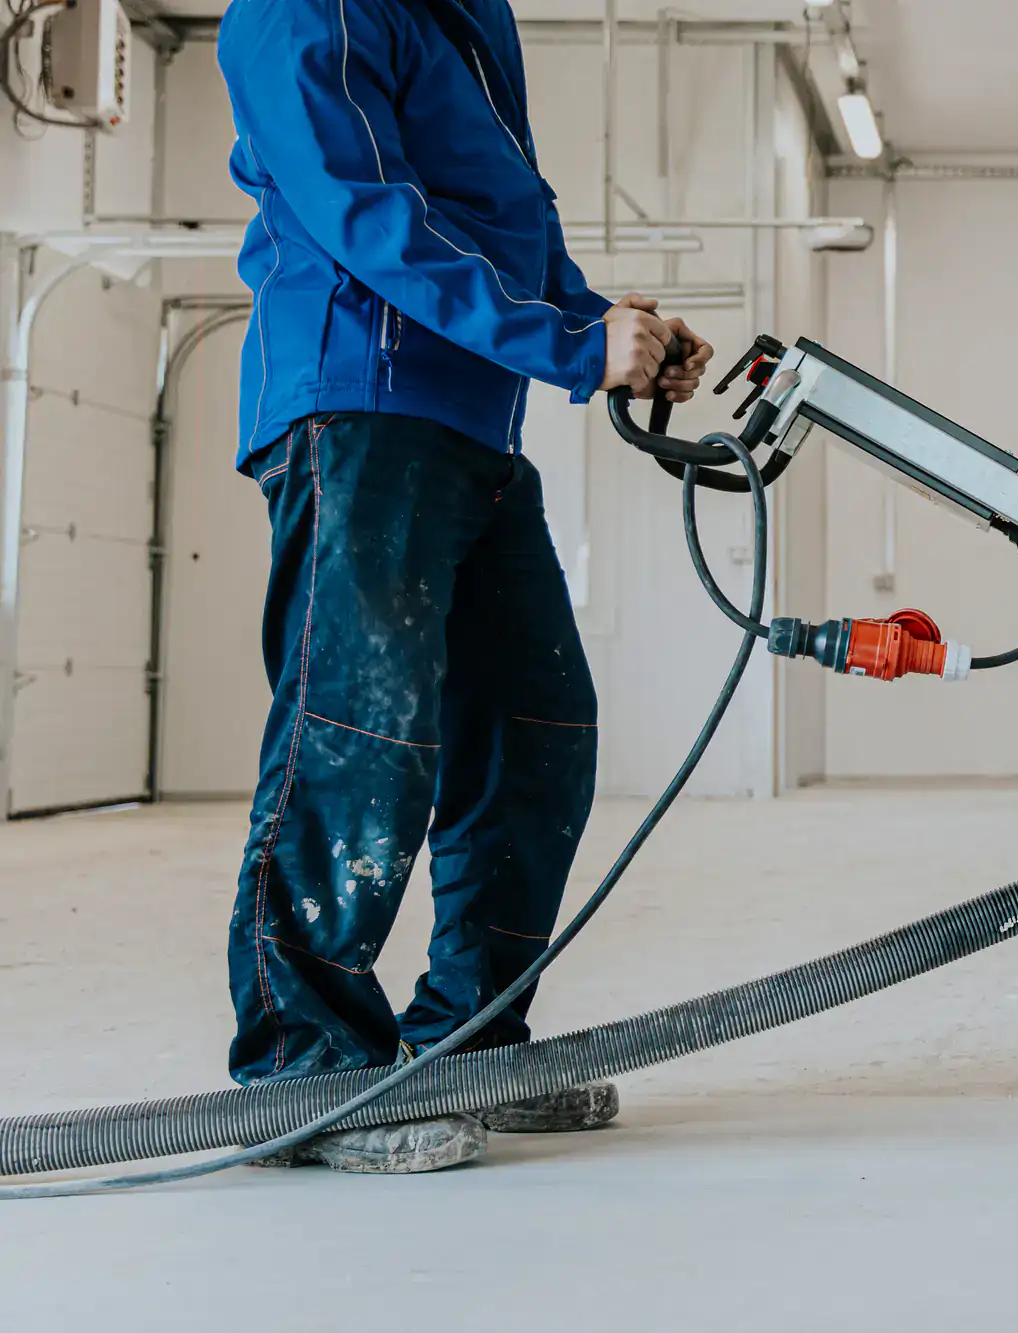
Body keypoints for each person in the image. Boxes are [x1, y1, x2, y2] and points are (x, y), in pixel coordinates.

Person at [215, 0, 714, 1174]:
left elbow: (498, 222)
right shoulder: (304, 7)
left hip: (473, 428)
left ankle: (467, 1041)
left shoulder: (464, 16)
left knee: (538, 732)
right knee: (358, 736)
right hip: (361, 406)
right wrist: (568, 347)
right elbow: (364, 212)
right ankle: (307, 1069)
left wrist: (602, 324)